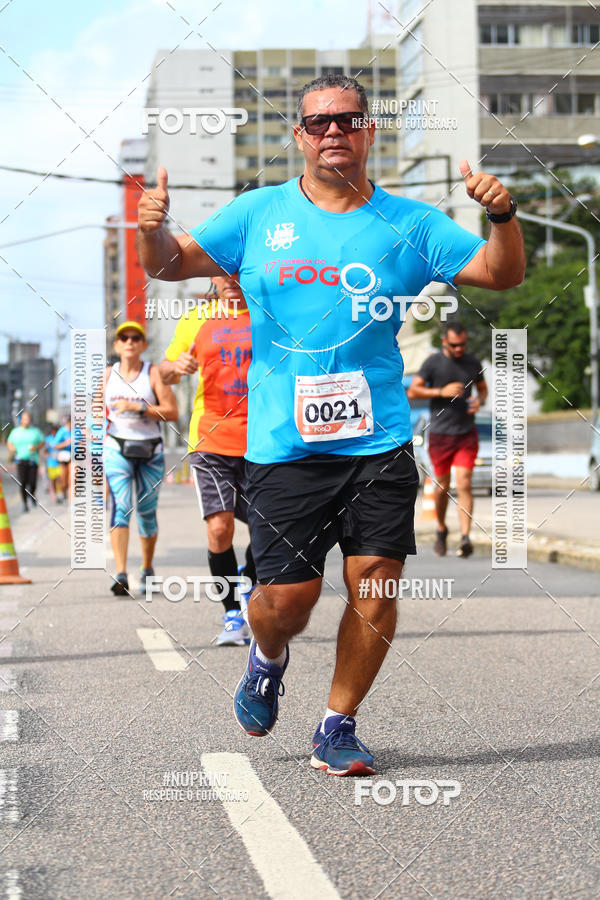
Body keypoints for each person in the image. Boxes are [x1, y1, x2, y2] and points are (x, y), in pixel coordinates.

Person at [137, 74, 526, 776]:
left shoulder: (410, 223)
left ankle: (337, 725)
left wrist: (504, 216)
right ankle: (267, 657)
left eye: (348, 120)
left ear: (368, 130)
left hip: (377, 440)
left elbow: (501, 275)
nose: (334, 133)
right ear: (300, 136)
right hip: (285, 446)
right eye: (319, 123)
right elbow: (168, 264)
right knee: (286, 600)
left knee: (376, 579)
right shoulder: (258, 214)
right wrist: (150, 227)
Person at [159, 275, 255, 647]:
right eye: (222, 272)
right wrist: (176, 366)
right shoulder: (197, 318)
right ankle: (232, 614)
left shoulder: (266, 313)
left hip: (263, 439)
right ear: (213, 277)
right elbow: (163, 370)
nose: (231, 280)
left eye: (237, 271)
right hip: (211, 436)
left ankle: (248, 580)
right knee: (219, 529)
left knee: (269, 531)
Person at [104, 320, 178, 596]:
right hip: (116, 448)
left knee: (146, 514)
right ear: (117, 345)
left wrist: (139, 407)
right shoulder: (107, 375)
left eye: (136, 338)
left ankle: (147, 567)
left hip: (150, 451)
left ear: (143, 345)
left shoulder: (153, 373)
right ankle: (121, 573)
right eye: (124, 338)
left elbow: (172, 411)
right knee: (121, 507)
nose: (130, 342)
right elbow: (95, 412)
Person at [407, 322, 488, 558]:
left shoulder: (473, 362)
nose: (459, 349)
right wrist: (440, 392)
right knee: (442, 487)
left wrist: (479, 400)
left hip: (466, 433)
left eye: (463, 344)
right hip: (441, 434)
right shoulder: (433, 363)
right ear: (445, 342)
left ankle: (465, 538)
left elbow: (483, 389)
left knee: (464, 483)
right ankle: (441, 529)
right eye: (454, 345)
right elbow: (413, 391)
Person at [7, 411, 45, 512]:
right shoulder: (15, 431)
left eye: (28, 418)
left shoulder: (35, 431)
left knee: (32, 483)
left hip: (33, 460)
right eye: (24, 419)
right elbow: (9, 442)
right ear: (21, 420)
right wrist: (12, 449)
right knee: (22, 482)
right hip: (20, 460)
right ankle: (25, 504)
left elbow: (42, 442)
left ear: (30, 420)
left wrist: (36, 447)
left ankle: (32, 495)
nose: (26, 420)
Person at [43, 424, 64, 503]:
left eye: (56, 431)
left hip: (60, 462)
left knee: (60, 478)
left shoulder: (60, 438)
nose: (54, 432)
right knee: (53, 480)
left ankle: (60, 493)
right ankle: (55, 494)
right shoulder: (48, 439)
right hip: (51, 463)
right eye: (53, 431)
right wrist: (47, 454)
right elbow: (45, 450)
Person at [54, 416, 72, 500]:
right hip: (64, 457)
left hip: (74, 457)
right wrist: (66, 443)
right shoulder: (62, 431)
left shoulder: (77, 431)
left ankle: (71, 498)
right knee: (64, 481)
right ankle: (63, 493)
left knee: (72, 479)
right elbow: (55, 445)